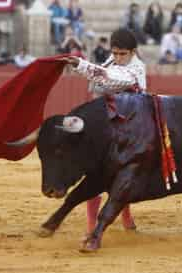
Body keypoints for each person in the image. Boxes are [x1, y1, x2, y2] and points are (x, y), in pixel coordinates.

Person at [60, 28, 144, 238]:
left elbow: (105, 78)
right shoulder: (112, 61)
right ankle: (94, 225)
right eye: (114, 53)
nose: (117, 57)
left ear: (133, 52)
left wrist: (79, 64)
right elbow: (98, 79)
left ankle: (122, 218)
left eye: (122, 54)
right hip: (107, 123)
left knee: (120, 177)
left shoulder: (136, 69)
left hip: (129, 130)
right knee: (98, 173)